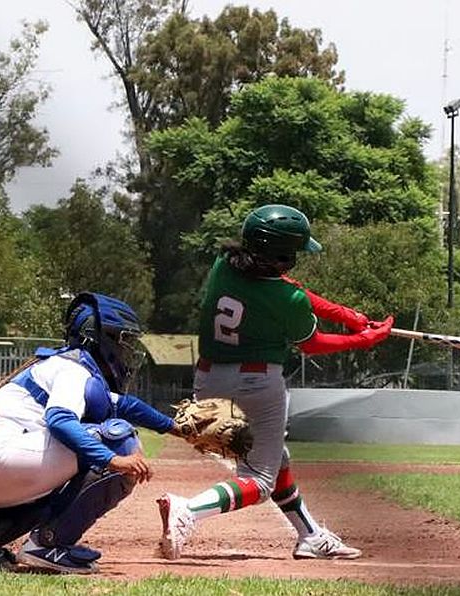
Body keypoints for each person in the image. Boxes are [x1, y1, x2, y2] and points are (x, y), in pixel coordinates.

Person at [157, 204, 394, 561]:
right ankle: (188, 510)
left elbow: (289, 293)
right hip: (255, 385)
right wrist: (365, 339)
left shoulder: (224, 266)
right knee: (260, 481)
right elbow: (311, 343)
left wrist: (348, 316)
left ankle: (310, 536)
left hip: (207, 381)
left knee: (276, 459)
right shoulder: (289, 299)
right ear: (282, 255)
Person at [0, 292, 180, 574]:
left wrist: (180, 429)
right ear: (98, 338)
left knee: (78, 465)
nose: (126, 352)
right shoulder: (73, 369)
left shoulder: (60, 365)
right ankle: (49, 545)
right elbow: (60, 420)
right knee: (119, 438)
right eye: (121, 341)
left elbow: (125, 405)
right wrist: (112, 460)